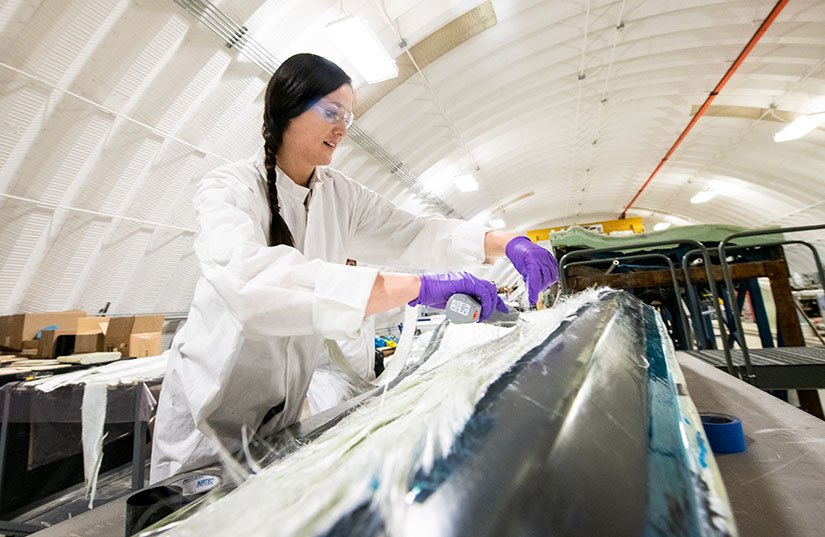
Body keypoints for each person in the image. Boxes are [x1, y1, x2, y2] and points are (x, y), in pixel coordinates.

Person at [149, 53, 558, 482]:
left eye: (348, 116)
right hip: (208, 414)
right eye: (330, 112)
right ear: (287, 108)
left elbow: (413, 232)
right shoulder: (228, 189)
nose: (342, 127)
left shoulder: (340, 195)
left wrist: (504, 242)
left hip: (279, 416)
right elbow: (251, 285)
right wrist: (417, 286)